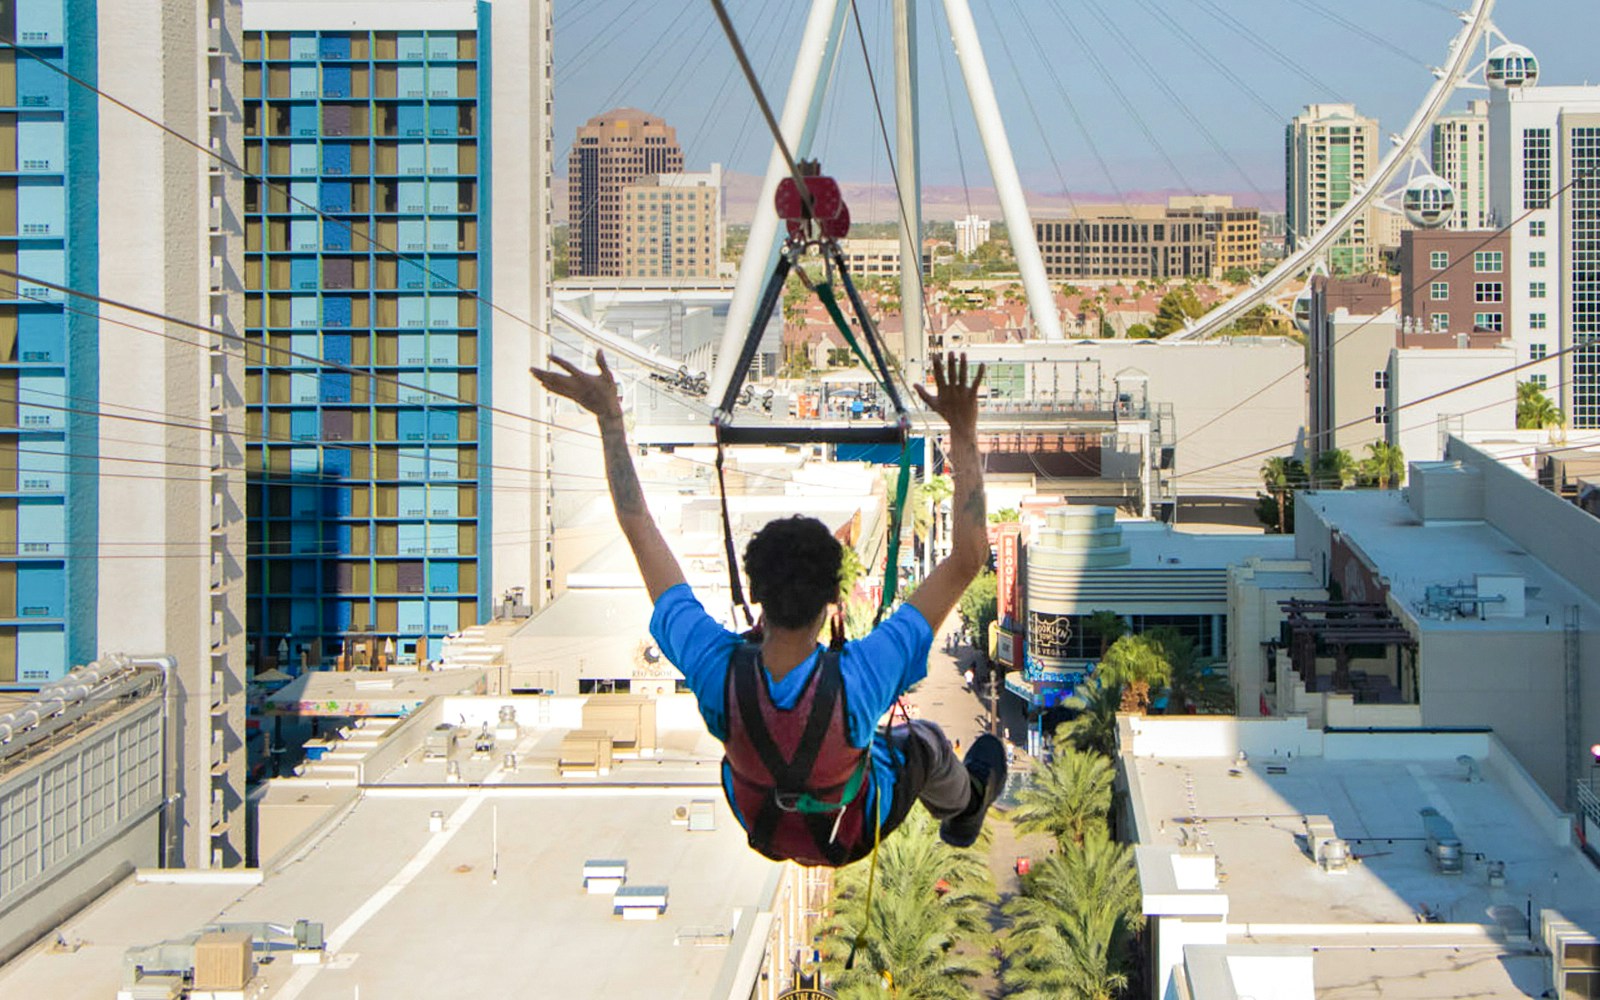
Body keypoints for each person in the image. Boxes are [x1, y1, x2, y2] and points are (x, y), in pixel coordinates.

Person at [532, 351, 1006, 867]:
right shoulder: (864, 675)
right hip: (846, 832)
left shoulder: (717, 668)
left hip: (763, 825)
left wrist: (610, 420)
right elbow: (968, 558)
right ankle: (968, 806)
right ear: (832, 602)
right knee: (926, 741)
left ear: (755, 594)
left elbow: (638, 526)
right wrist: (963, 428)